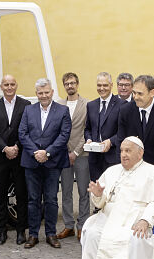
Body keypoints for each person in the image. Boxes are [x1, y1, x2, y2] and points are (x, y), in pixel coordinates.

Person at [18, 78, 72, 248]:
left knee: (51, 199)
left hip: (52, 162)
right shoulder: (28, 110)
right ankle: (33, 235)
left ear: (52, 92)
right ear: (36, 94)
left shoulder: (63, 110)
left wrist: (47, 153)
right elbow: (22, 133)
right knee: (33, 200)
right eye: (40, 93)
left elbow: (64, 135)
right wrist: (36, 152)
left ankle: (50, 234)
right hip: (31, 161)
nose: (44, 96)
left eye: (46, 92)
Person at [0, 74, 30, 244]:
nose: (9, 87)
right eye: (6, 84)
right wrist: (5, 148)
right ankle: (2, 230)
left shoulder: (25, 105)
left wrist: (17, 147)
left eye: (12, 84)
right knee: (1, 195)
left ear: (16, 85)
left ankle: (21, 230)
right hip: (0, 156)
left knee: (21, 194)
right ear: (1, 87)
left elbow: (26, 128)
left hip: (20, 156)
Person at [56, 72, 91, 240]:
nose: (70, 86)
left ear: (77, 84)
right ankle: (68, 225)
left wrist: (76, 152)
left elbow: (87, 130)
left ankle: (82, 225)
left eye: (72, 83)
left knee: (84, 191)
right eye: (67, 83)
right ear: (64, 86)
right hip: (63, 155)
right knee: (66, 191)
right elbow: (57, 131)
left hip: (82, 154)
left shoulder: (87, 105)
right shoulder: (59, 104)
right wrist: (65, 152)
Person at [85, 72, 123, 181]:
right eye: (99, 85)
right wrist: (88, 139)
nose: (102, 88)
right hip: (94, 160)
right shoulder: (91, 105)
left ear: (111, 85)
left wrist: (110, 141)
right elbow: (87, 128)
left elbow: (123, 131)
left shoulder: (122, 105)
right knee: (97, 194)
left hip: (113, 158)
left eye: (105, 85)